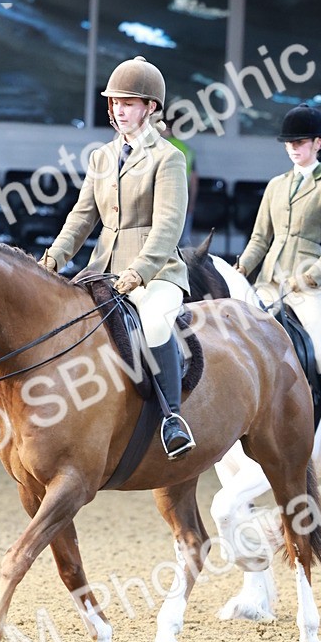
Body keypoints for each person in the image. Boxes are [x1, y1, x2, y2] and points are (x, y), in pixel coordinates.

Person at [41, 55, 195, 460]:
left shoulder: (168, 158)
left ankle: (171, 418)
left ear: (151, 107)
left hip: (156, 271)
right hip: (102, 267)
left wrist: (139, 273)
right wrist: (54, 258)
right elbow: (81, 217)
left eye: (128, 102)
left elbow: (167, 225)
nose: (119, 110)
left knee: (155, 321)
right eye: (114, 102)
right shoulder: (101, 157)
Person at [235, 103, 321, 463]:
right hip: (271, 282)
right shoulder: (276, 186)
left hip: (307, 286)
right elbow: (260, 238)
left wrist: (313, 275)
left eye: (300, 141)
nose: (293, 147)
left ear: (319, 143)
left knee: (320, 351)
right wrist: (241, 269)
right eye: (289, 142)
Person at [161, 121, 199, 244]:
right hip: (182, 198)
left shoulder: (159, 147)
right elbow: (194, 180)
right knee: (180, 243)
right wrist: (191, 204)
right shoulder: (187, 150)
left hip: (162, 199)